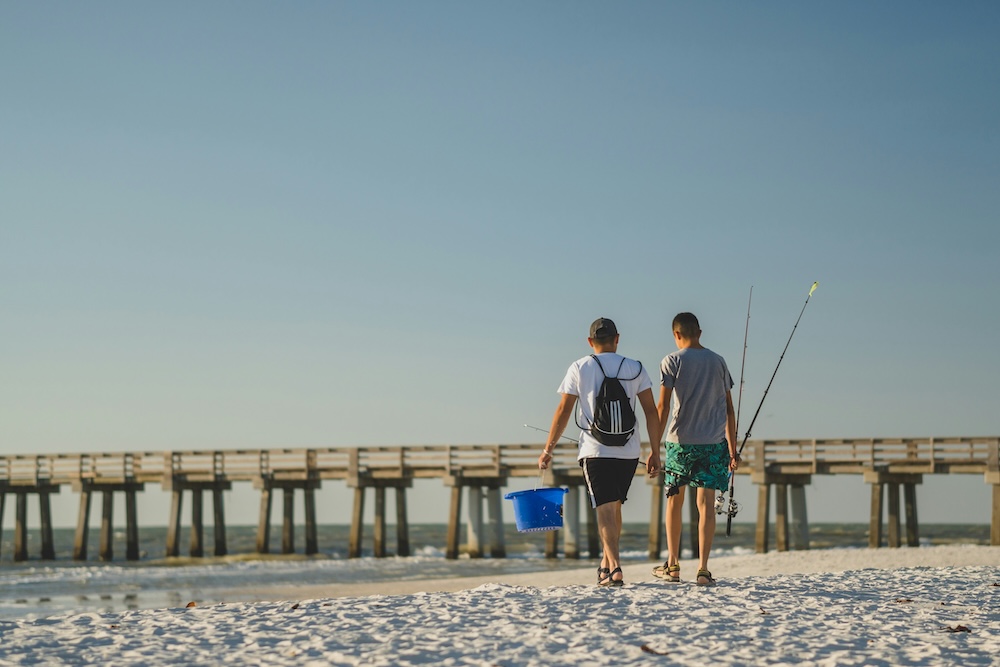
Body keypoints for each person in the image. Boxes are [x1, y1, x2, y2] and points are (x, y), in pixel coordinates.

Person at [538, 317, 660, 587]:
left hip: (595, 450)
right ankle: (605, 565)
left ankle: (615, 567)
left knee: (603, 508)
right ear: (617, 338)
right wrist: (654, 451)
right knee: (613, 506)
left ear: (590, 341)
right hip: (629, 450)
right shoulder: (635, 367)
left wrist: (548, 449)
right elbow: (652, 412)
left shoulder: (580, 367)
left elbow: (563, 411)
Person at [650, 312, 739, 586]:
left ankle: (673, 564)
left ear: (676, 335)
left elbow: (663, 407)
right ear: (700, 332)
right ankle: (702, 569)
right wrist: (733, 451)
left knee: (674, 502)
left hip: (680, 443)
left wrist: (654, 447)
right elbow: (728, 410)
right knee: (706, 507)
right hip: (713, 443)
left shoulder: (672, 360)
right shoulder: (718, 361)